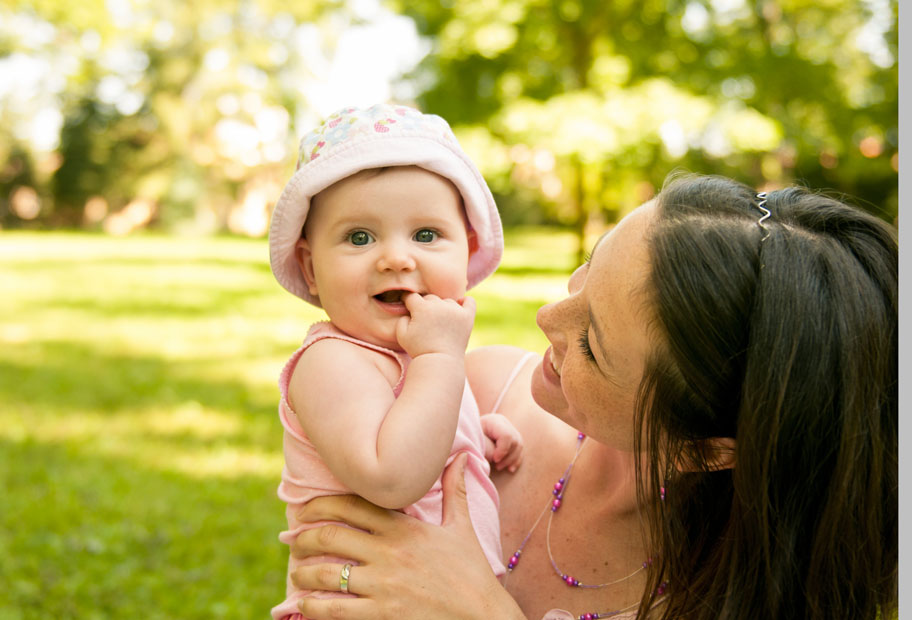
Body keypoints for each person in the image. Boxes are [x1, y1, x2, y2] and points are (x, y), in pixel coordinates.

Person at [283, 173, 898, 620]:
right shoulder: (477, 390)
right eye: (585, 272)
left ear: (703, 452)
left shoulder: (731, 596)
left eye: (593, 345)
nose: (547, 317)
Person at [267, 103, 524, 620]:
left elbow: (414, 428)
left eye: (426, 235)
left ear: (466, 251)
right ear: (310, 269)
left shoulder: (416, 365)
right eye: (359, 237)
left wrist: (470, 430)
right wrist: (440, 359)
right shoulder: (331, 363)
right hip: (361, 605)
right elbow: (391, 477)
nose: (396, 258)